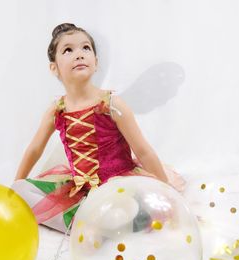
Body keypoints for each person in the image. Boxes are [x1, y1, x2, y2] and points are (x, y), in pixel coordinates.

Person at [11, 23, 186, 233]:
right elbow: (34, 149)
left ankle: (108, 220)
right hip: (79, 188)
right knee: (20, 190)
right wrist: (14, 186)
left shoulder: (112, 104)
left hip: (119, 184)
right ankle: (87, 224)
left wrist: (166, 189)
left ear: (96, 62)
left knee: (128, 204)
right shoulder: (57, 110)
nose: (79, 55)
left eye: (86, 48)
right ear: (54, 68)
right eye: (68, 50)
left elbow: (143, 150)